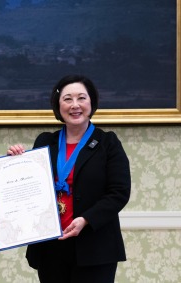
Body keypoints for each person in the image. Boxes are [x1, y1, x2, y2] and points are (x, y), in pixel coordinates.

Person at [7, 75, 131, 283]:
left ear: (91, 103)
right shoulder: (45, 141)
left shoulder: (107, 142)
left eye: (81, 98)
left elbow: (119, 192)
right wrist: (15, 162)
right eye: (67, 99)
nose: (75, 105)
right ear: (58, 105)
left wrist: (86, 220)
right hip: (51, 247)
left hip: (94, 246)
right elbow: (29, 187)